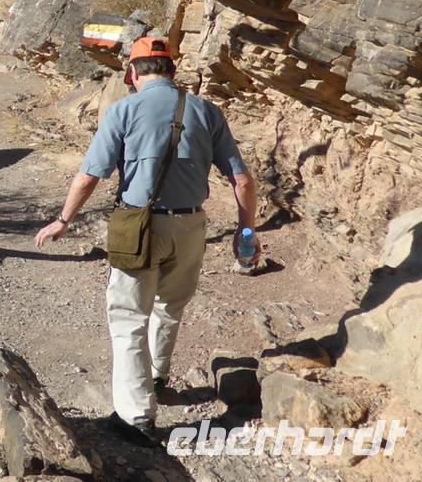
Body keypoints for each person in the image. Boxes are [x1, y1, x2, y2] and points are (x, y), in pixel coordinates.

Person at [33, 36, 257, 447]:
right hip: (191, 227)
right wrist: (245, 232)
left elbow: (89, 177)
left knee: (128, 318)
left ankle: (136, 417)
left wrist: (63, 220)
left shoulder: (123, 110)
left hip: (139, 227)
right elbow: (241, 179)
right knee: (171, 305)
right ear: (171, 71)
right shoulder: (207, 111)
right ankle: (156, 378)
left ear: (132, 74)